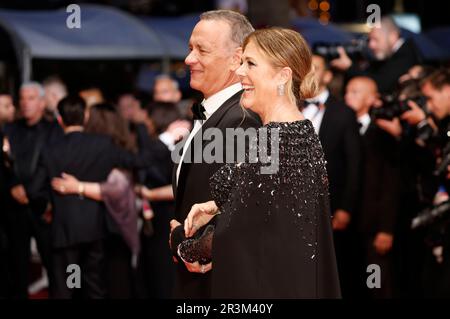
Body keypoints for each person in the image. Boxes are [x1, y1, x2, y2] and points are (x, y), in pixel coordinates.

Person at [180, 28, 341, 298]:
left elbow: (237, 237)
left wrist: (181, 243)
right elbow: (269, 216)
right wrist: (215, 205)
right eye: (242, 62)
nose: (240, 72)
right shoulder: (290, 133)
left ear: (283, 75)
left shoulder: (280, 140)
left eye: (251, 63)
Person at [168, 9, 261, 299]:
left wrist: (180, 240)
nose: (188, 59)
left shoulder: (242, 119)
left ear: (237, 58)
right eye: (190, 48)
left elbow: (247, 213)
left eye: (201, 51)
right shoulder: (214, 113)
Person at [3, 82, 63, 298]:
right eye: (22, 98)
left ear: (41, 102)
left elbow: (53, 167)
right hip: (14, 208)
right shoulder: (9, 129)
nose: (25, 103)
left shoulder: (54, 130)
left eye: (31, 98)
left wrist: (29, 192)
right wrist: (12, 186)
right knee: (16, 264)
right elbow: (4, 164)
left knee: (54, 263)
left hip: (43, 205)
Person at [345, 76, 400, 298]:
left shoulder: (382, 134)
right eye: (347, 91)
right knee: (350, 284)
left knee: (374, 284)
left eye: (355, 92)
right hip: (347, 225)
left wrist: (386, 228)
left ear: (371, 99)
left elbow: (390, 184)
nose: (348, 96)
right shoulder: (341, 130)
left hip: (374, 227)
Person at [330, 16, 421, 94]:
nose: (371, 45)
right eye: (370, 40)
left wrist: (349, 67)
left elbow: (380, 84)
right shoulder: (397, 54)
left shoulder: (406, 55)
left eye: (376, 39)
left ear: (393, 36)